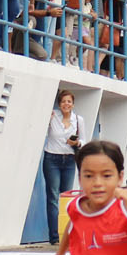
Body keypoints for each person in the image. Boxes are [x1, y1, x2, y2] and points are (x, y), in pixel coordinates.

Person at [42, 88, 85, 246]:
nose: (66, 104)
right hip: (52, 157)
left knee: (66, 197)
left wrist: (77, 143)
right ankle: (54, 236)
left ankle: (67, 233)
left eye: (69, 101)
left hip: (69, 159)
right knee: (53, 197)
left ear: (73, 104)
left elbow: (84, 140)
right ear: (59, 104)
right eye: (63, 101)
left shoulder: (78, 120)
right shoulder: (53, 116)